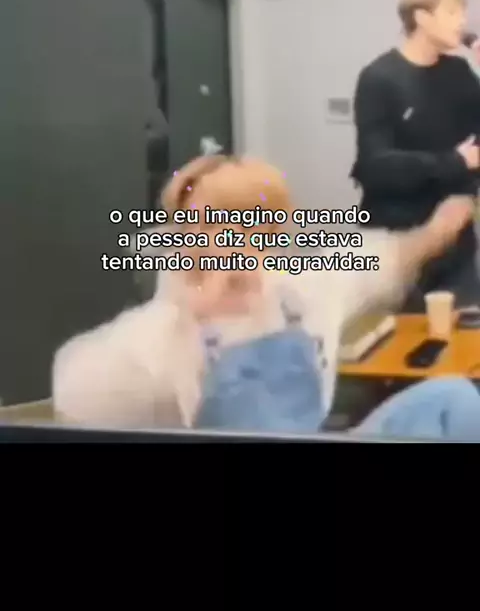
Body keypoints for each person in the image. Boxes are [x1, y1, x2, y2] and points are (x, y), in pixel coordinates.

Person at [52, 155, 475, 431]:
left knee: (452, 400)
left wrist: (438, 229)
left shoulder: (296, 291)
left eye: (257, 226)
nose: (238, 242)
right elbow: (77, 392)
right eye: (215, 226)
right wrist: (184, 321)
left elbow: (385, 259)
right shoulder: (160, 330)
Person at [351, 0, 480, 311]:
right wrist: (455, 162)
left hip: (456, 241)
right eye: (452, 12)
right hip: (398, 236)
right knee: (399, 336)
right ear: (422, 17)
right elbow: (374, 165)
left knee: (464, 334)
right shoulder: (379, 78)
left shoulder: (459, 71)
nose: (462, 22)